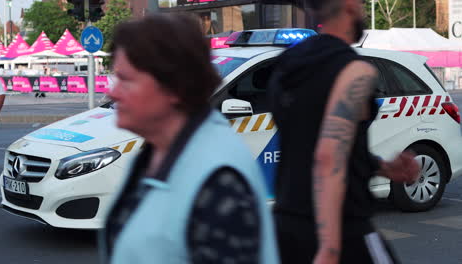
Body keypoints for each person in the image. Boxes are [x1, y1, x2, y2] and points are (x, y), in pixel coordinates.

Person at [100, 13, 279, 264]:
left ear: (173, 87)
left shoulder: (218, 182)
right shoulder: (153, 151)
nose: (112, 92)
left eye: (126, 80)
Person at [267, 0, 420, 263]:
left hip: (286, 227)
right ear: (350, 5)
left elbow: (307, 142)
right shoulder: (354, 72)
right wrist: (329, 247)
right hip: (342, 229)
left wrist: (383, 167)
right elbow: (329, 156)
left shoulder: (286, 65)